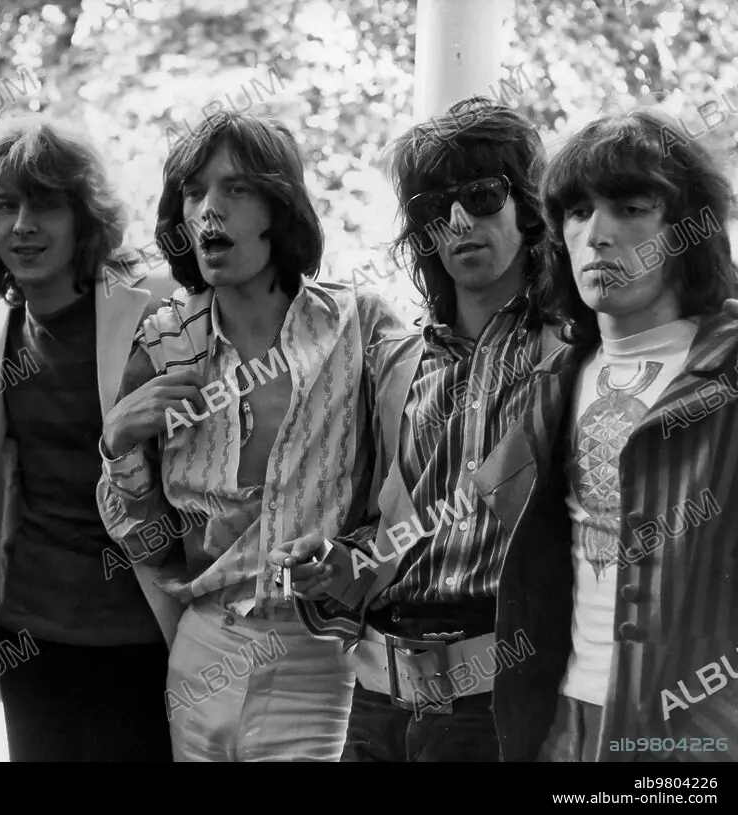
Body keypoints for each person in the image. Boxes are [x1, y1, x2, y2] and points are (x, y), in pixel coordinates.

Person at [97, 110, 402, 761]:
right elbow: (147, 542)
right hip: (202, 652)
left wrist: (352, 557)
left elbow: (419, 482)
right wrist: (116, 443)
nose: (209, 210)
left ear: (280, 206)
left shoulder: (361, 325)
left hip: (320, 655)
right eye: (193, 192)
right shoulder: (162, 343)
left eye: (235, 189)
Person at [275, 97, 567, 762]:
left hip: (503, 703)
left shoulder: (574, 355)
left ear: (527, 207)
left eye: (482, 196)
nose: (459, 221)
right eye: (436, 207)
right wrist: (335, 567)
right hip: (378, 705)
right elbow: (384, 536)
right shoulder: (397, 363)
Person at [0, 114, 181, 762]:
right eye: (6, 206)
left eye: (46, 204)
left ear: (84, 217)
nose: (23, 225)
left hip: (143, 628)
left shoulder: (158, 311)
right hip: (32, 634)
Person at [532, 107, 738, 762]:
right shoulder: (554, 380)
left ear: (687, 229)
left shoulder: (729, 371)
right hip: (565, 723)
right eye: (578, 212)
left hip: (694, 737)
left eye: (630, 209)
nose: (597, 235)